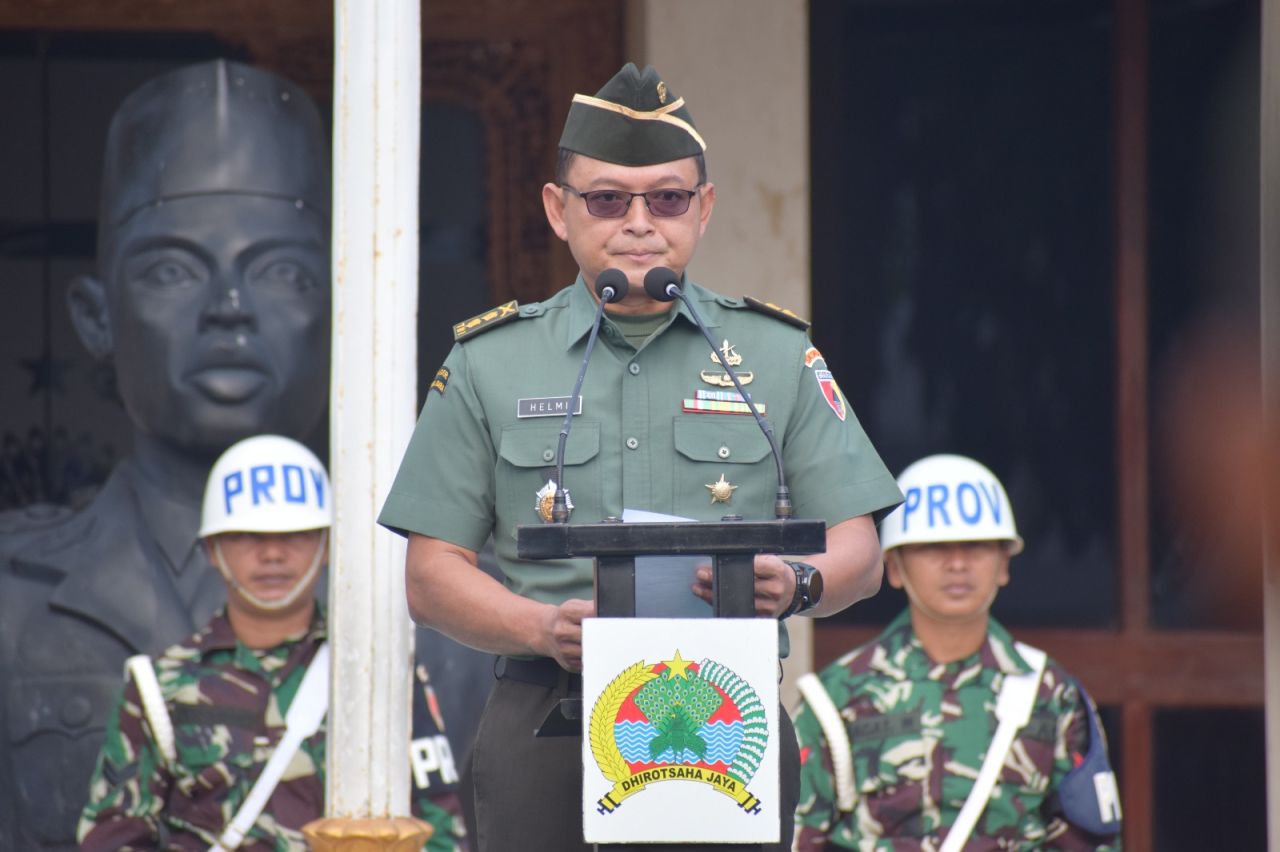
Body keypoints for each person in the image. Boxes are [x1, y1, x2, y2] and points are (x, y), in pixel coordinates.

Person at [377, 62, 903, 852]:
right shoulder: (490, 361)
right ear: (559, 211)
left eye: (666, 198)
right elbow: (431, 574)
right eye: (606, 199)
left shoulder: (771, 352)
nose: (638, 222)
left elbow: (860, 549)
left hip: (727, 724)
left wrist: (797, 582)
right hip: (546, 717)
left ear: (704, 208)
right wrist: (540, 624)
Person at [0, 60, 331, 851]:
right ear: (95, 318)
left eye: (280, 271)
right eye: (172, 269)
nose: (229, 309)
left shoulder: (430, 599)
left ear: (344, 306)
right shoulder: (10, 599)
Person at [77, 435, 465, 851]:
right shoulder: (156, 686)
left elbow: (440, 828)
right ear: (212, 548)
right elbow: (113, 835)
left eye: (294, 534)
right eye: (247, 535)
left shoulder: (378, 671)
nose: (273, 554)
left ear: (327, 545)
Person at [793, 454, 1123, 850]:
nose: (957, 564)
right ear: (894, 567)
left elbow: (1092, 842)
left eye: (977, 546)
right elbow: (799, 838)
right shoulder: (832, 699)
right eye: (933, 547)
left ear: (1004, 563)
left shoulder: (1051, 693)